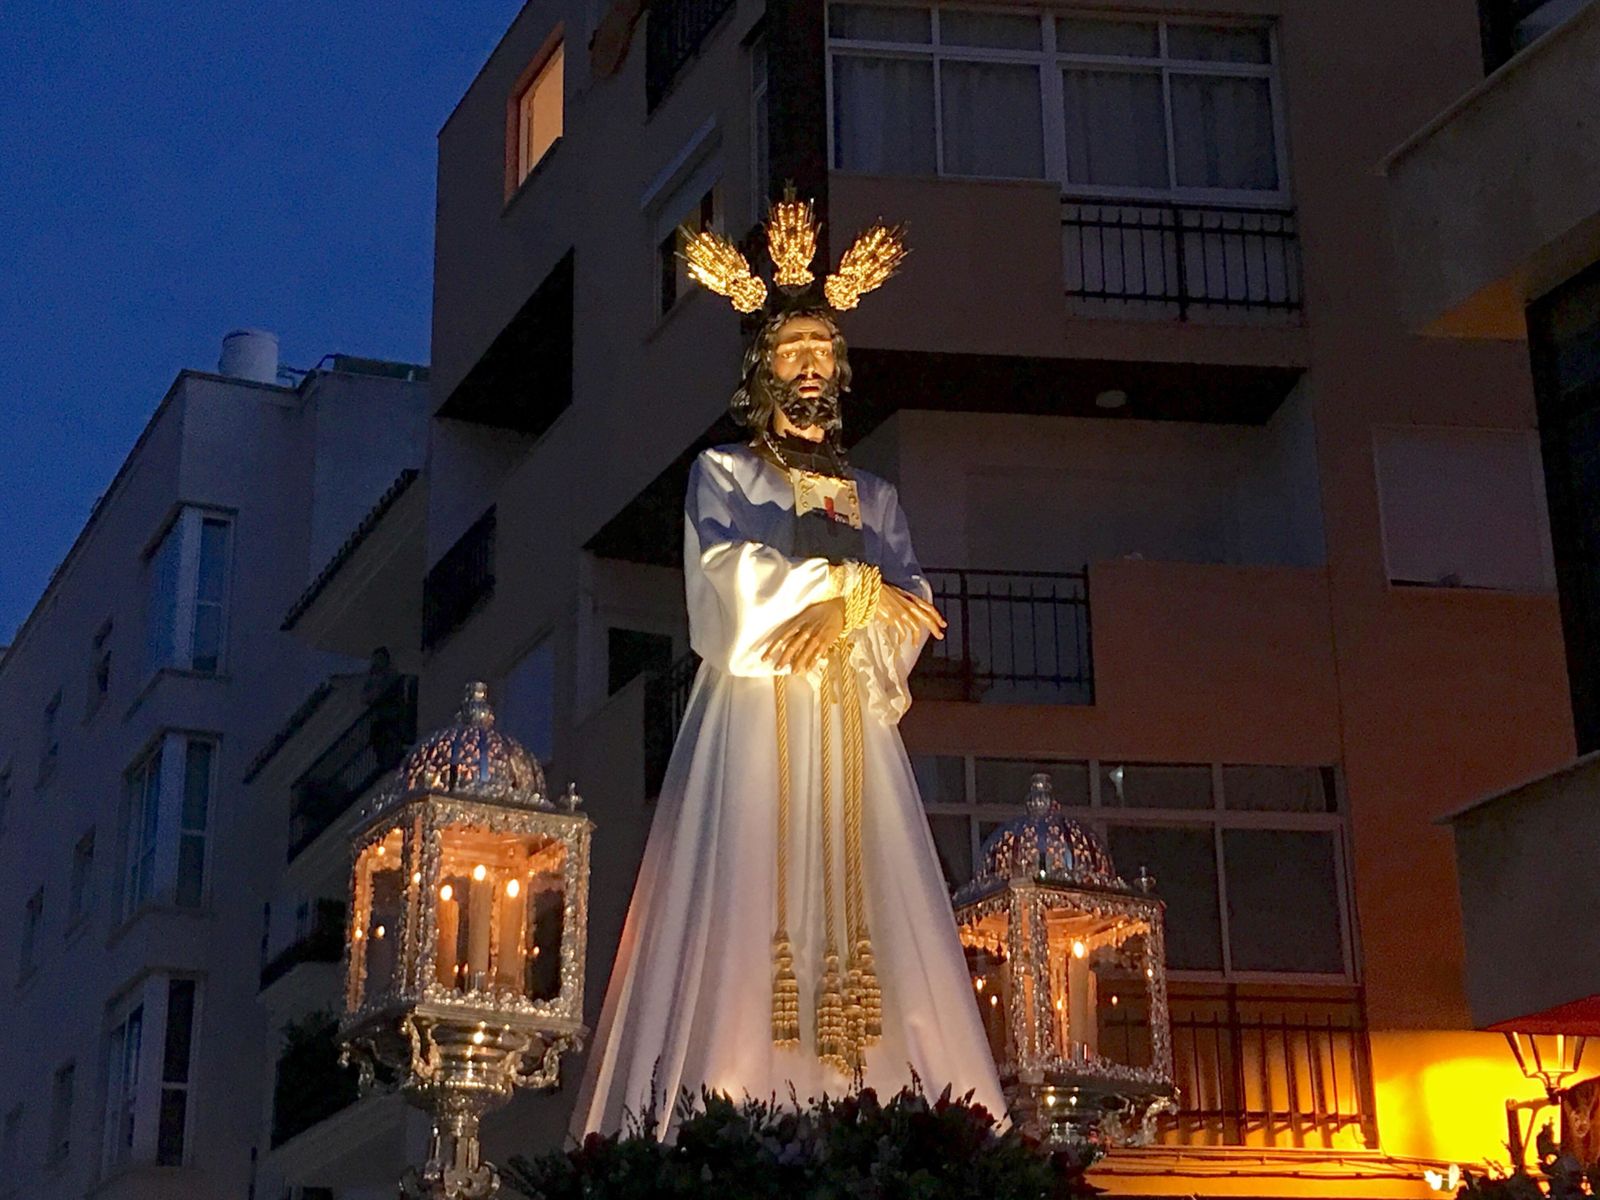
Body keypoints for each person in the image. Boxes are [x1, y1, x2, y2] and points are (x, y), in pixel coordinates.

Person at [571, 195, 1006, 1137]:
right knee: (742, 904)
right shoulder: (724, 477)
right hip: (754, 714)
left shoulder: (875, 495)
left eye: (821, 353)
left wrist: (859, 604)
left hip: (851, 726)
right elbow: (726, 581)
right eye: (790, 353)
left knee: (885, 929)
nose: (808, 368)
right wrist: (853, 592)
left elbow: (915, 608)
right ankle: (723, 1117)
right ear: (761, 371)